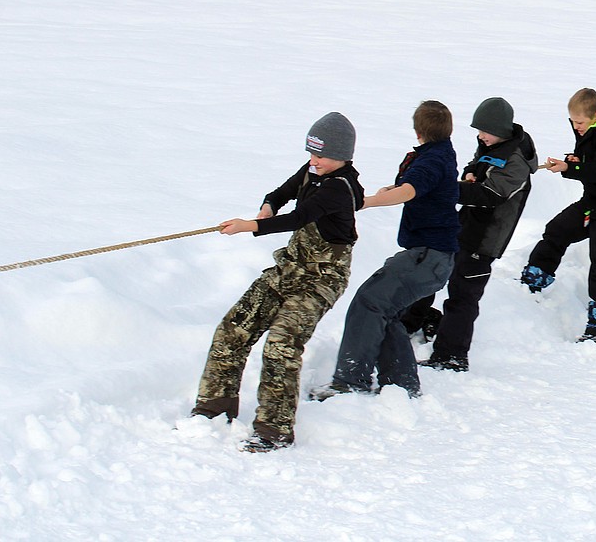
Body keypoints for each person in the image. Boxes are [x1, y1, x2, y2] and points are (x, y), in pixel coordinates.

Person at [191, 112, 364, 453]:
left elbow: (300, 217)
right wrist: (268, 206)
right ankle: (214, 408)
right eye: (310, 153)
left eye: (320, 155)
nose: (313, 161)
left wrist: (249, 226)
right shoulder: (312, 172)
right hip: (289, 268)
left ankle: (274, 429)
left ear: (342, 155)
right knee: (233, 329)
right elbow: (282, 194)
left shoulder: (339, 189)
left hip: (321, 279)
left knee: (281, 345)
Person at [309, 101, 459, 401]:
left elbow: (411, 190)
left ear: (418, 131)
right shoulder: (440, 154)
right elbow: (417, 187)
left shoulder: (431, 161)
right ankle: (401, 384)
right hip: (433, 256)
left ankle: (351, 380)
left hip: (427, 256)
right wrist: (388, 191)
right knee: (383, 309)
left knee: (369, 303)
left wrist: (363, 202)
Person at [404, 98, 538, 372]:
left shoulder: (515, 161)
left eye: (484, 131)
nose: (480, 136)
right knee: (433, 273)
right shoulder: (494, 144)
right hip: (464, 226)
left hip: (486, 239)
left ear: (500, 129)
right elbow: (476, 165)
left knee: (463, 295)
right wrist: (468, 174)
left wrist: (449, 190)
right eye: (478, 131)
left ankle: (452, 355)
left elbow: (492, 195)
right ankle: (412, 321)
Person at [521, 88, 596, 342]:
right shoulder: (592, 130)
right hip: (595, 202)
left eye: (579, 122)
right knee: (557, 229)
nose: (575, 127)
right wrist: (577, 160)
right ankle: (535, 279)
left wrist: (570, 167)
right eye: (572, 122)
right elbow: (593, 164)